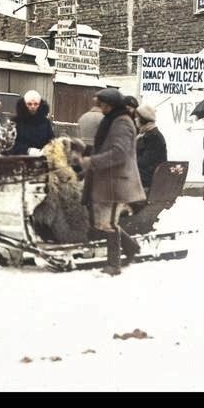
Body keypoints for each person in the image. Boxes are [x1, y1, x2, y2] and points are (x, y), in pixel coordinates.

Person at [77, 88, 145, 276]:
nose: (102, 107)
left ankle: (114, 264)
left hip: (118, 180)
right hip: (109, 179)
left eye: (104, 104)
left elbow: (119, 153)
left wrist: (92, 161)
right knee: (104, 221)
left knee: (109, 223)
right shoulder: (112, 120)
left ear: (112, 104)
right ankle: (131, 247)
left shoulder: (121, 123)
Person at [11, 90, 55, 155]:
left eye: (36, 104)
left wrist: (45, 150)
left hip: (41, 159)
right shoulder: (15, 122)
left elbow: (51, 141)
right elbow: (10, 144)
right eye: (29, 104)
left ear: (40, 105)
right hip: (20, 159)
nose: (33, 106)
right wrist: (28, 150)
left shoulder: (45, 122)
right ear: (24, 104)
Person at [135, 104, 167, 191]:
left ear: (143, 119)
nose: (135, 119)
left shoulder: (152, 136)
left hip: (149, 176)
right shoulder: (146, 134)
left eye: (137, 117)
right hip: (148, 174)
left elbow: (145, 161)